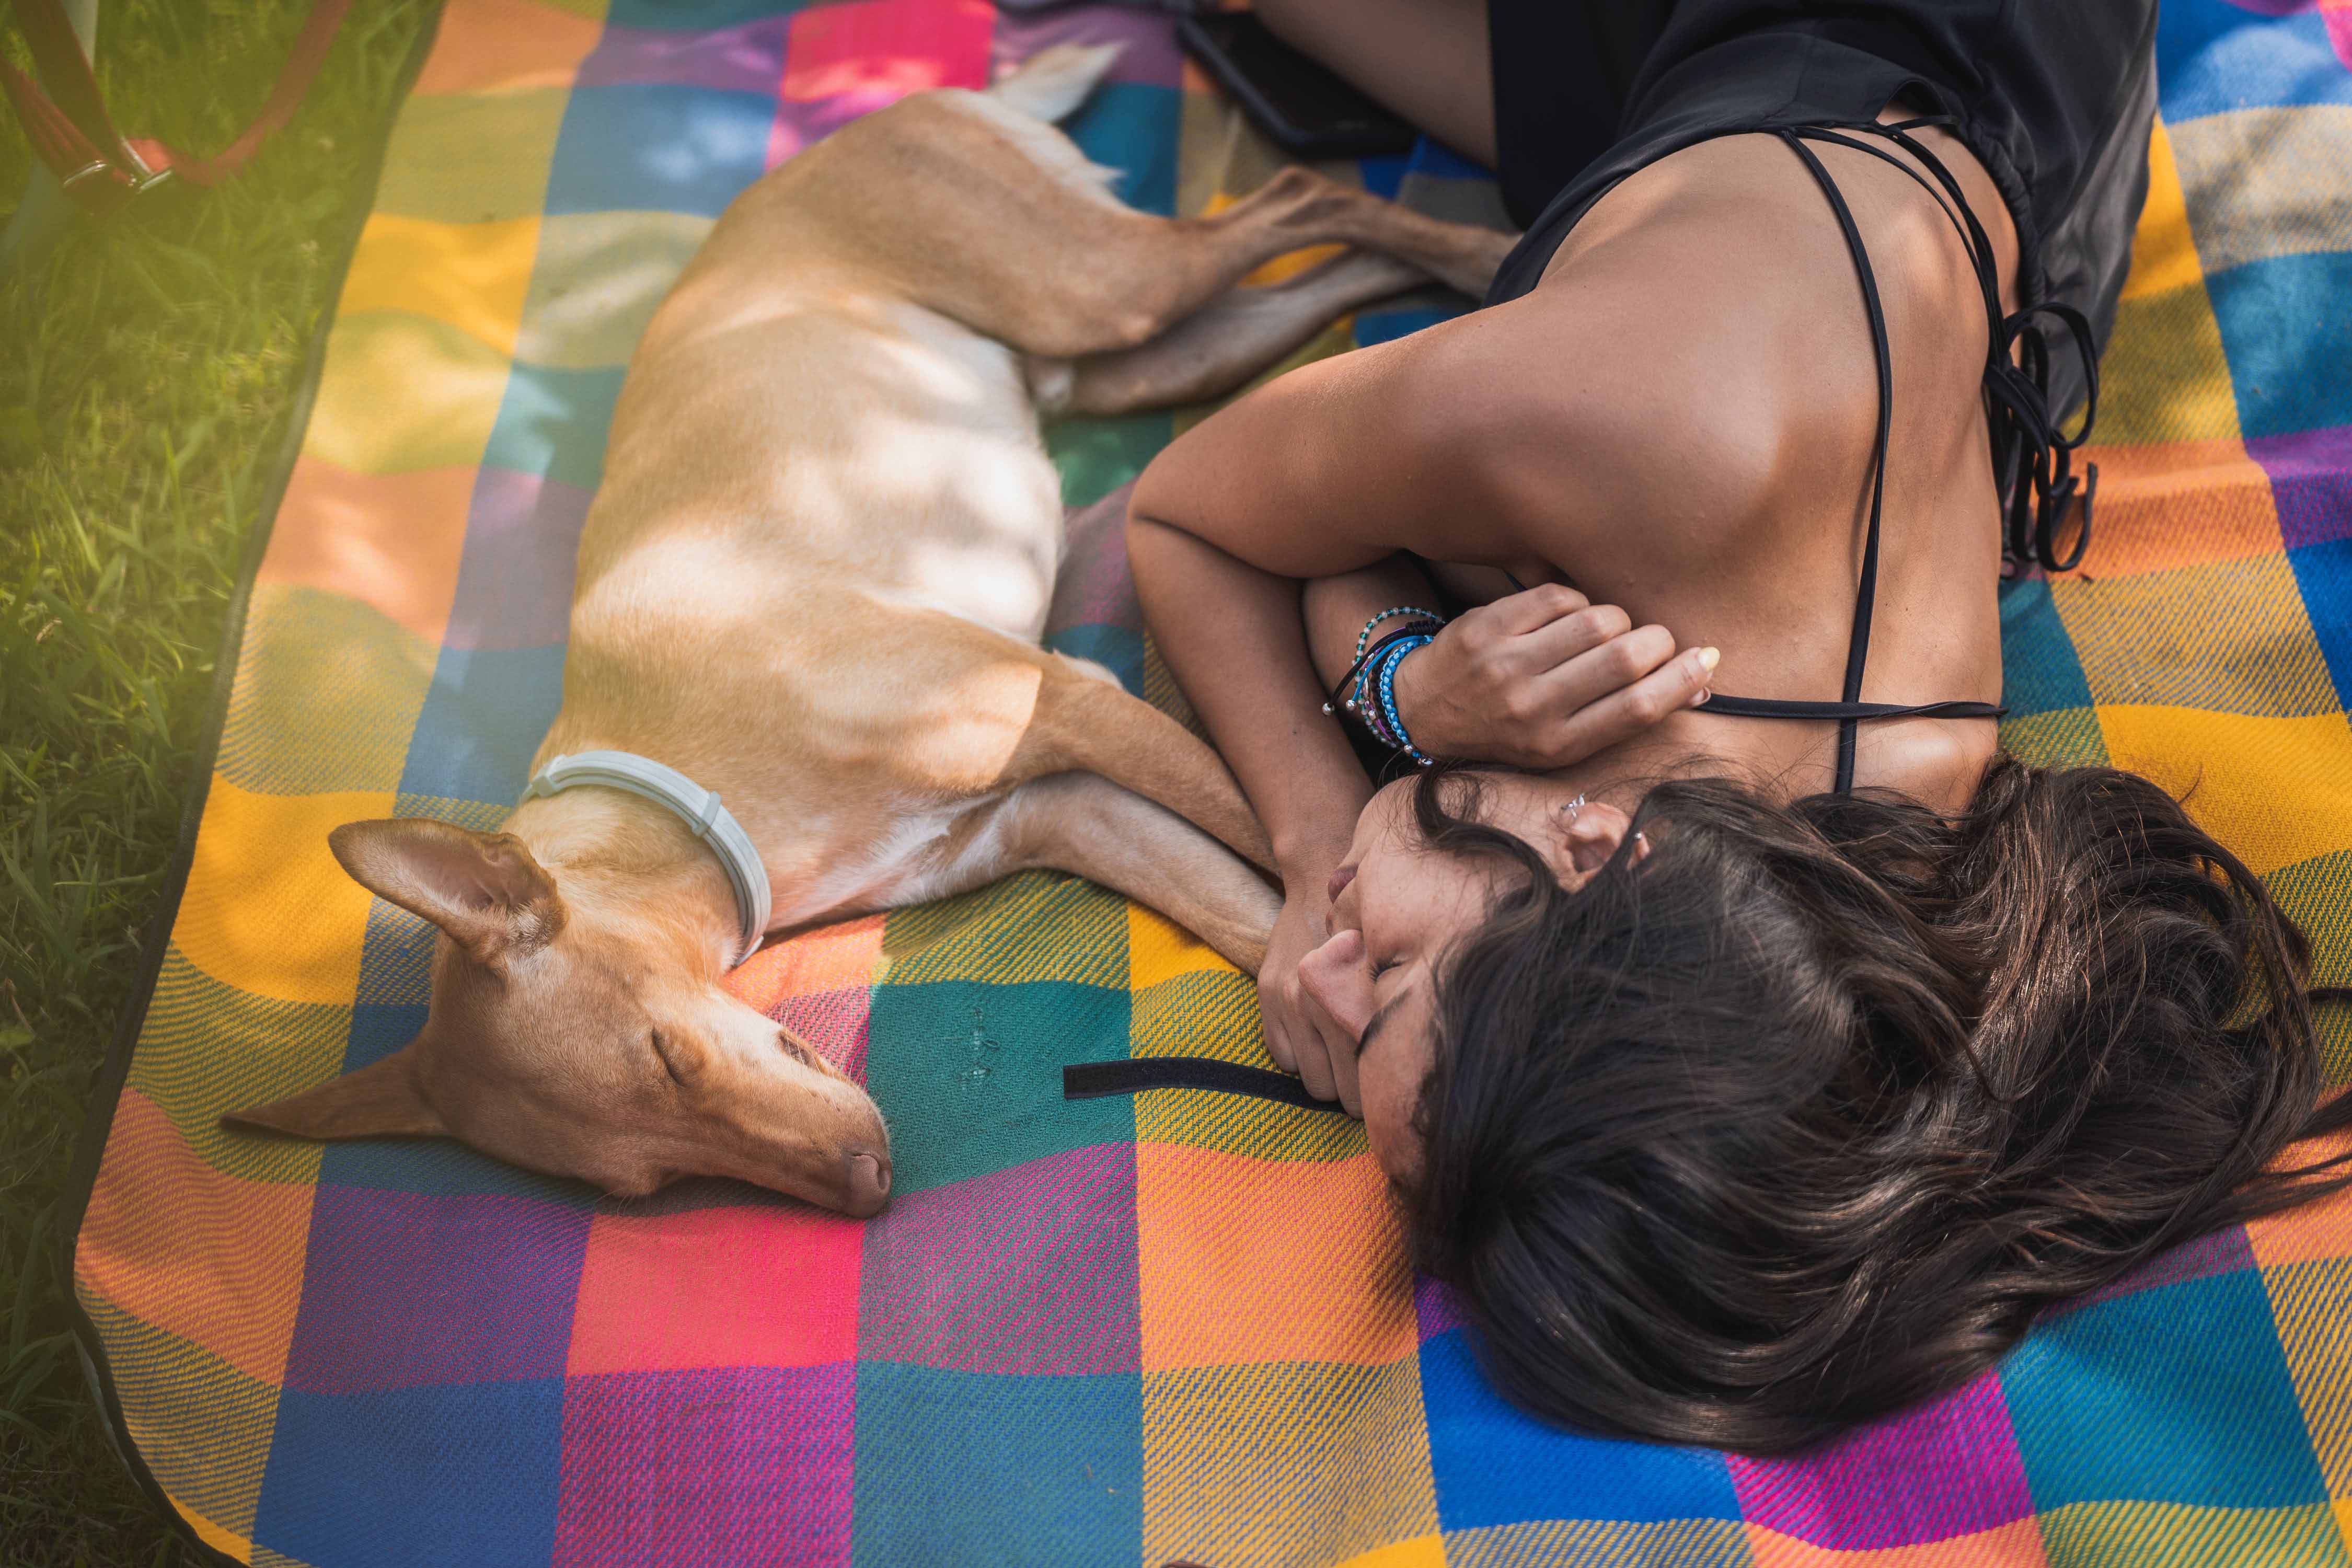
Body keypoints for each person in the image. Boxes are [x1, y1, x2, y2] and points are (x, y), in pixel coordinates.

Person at [1125, 0, 2352, 1451]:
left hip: (1988, 162)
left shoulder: (1845, 859)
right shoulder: (1604, 426)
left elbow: (1339, 559)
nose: (1314, 983)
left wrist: (1405, 686)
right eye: (1383, 970)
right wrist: (1321, 819)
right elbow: (1190, 516)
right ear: (1595, 851)